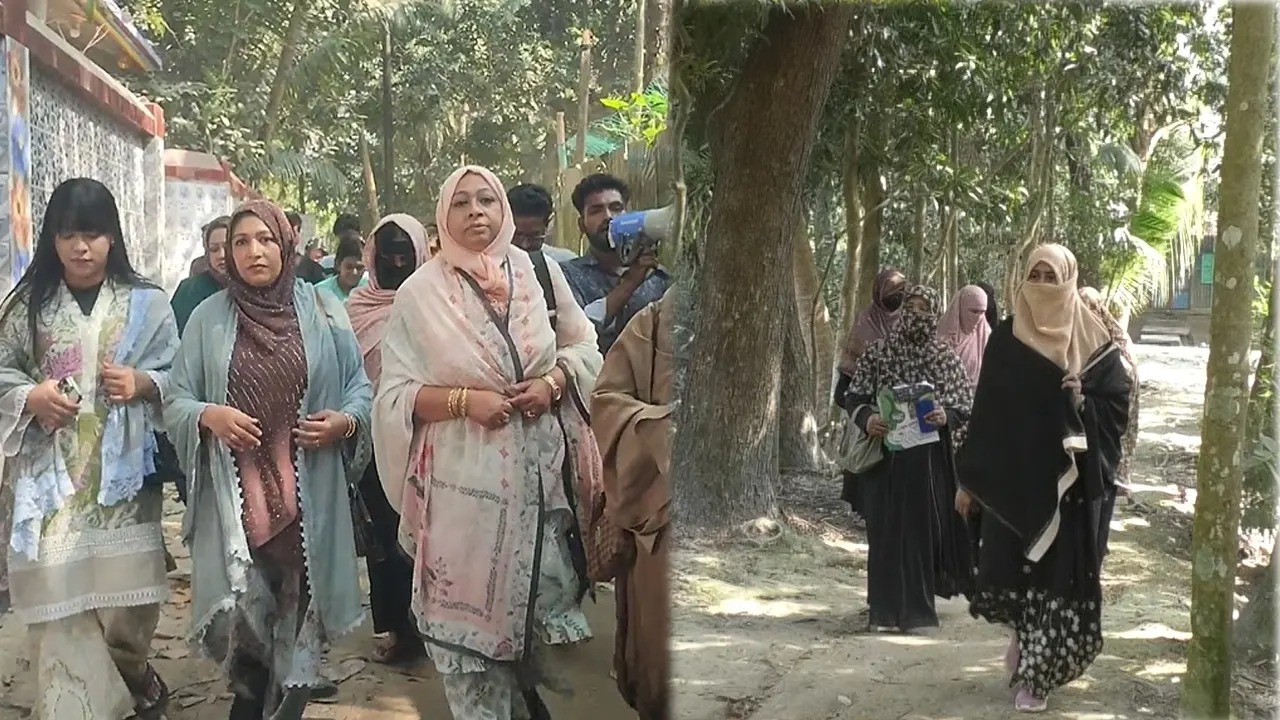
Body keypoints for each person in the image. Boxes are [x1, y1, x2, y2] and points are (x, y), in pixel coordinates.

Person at [374, 165, 603, 719]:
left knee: (528, 642)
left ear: (502, 210)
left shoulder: (535, 271)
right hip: (461, 490)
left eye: (486, 200)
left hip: (538, 486)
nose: (475, 212)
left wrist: (552, 382)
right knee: (470, 652)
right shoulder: (419, 293)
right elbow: (395, 395)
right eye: (461, 203)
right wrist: (464, 402)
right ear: (442, 218)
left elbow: (584, 346)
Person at [164, 199, 372, 720]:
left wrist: (344, 423)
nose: (253, 251)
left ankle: (288, 705)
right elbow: (176, 398)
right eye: (241, 242)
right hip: (239, 504)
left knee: (298, 627)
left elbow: (359, 389)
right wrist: (209, 415)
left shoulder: (324, 312)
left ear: (286, 246)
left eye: (265, 240)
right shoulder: (208, 319)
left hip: (309, 499)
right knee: (250, 635)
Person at [0, 178, 179, 719]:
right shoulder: (27, 306)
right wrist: (31, 396)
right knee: (62, 606)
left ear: (112, 237)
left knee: (129, 608)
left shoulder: (148, 303)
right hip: (50, 482)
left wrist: (144, 383)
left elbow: (182, 377)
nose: (81, 247)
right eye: (68, 235)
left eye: (93, 234)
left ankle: (131, 673)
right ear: (52, 239)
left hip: (124, 484)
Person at [956, 244, 1130, 713]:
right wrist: (969, 483)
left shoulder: (1095, 344)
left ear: (1069, 280)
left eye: (1051, 276)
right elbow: (987, 414)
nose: (1042, 284)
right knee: (1018, 574)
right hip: (1013, 485)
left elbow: (1117, 407)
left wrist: (1084, 402)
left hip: (1066, 492)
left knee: (1054, 580)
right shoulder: (1006, 339)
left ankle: (1037, 676)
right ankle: (1023, 639)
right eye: (1035, 274)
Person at [841, 285, 973, 633]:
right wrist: (868, 418)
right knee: (884, 532)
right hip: (885, 460)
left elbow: (963, 405)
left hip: (927, 465)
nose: (916, 314)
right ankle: (883, 612)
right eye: (910, 306)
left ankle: (917, 613)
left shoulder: (944, 357)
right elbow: (854, 395)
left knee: (919, 534)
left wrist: (945, 416)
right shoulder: (880, 352)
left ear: (935, 314)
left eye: (924, 308)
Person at [345, 213, 431, 665]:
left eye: (405, 252)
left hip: (431, 436)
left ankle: (435, 626)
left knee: (432, 537)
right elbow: (345, 374)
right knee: (385, 538)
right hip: (375, 441)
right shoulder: (355, 308)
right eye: (388, 253)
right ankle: (397, 629)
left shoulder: (439, 302)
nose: (397, 262)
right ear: (372, 257)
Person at [591, 290, 676, 720]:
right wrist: (659, 429)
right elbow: (607, 403)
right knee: (657, 665)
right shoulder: (653, 323)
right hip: (658, 514)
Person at [560, 173, 670, 355]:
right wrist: (629, 284)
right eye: (596, 211)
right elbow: (577, 334)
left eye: (616, 208)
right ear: (582, 225)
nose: (609, 217)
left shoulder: (659, 278)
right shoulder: (567, 276)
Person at [834, 267, 907, 514]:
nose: (898, 296)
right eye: (892, 291)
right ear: (878, 293)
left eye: (902, 290)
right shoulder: (864, 326)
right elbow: (843, 392)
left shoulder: (912, 326)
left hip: (905, 428)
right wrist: (867, 415)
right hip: (871, 430)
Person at [1079, 286, 1139, 526]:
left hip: (1117, 405)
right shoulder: (1082, 335)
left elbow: (1127, 373)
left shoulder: (1115, 340)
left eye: (1089, 307)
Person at [172, 215, 231, 336]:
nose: (221, 255)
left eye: (227, 247)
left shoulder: (255, 289)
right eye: (214, 249)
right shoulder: (188, 290)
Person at [508, 183, 577, 263]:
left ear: (547, 224)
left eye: (533, 237)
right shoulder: (496, 262)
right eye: (517, 235)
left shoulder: (565, 262)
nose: (525, 245)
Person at [937, 285, 992, 386]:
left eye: (982, 312)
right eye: (974, 311)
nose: (978, 317)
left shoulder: (987, 336)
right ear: (961, 308)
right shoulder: (942, 336)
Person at [316, 234, 368, 303]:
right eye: (349, 267)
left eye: (359, 268)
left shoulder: (371, 291)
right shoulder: (320, 292)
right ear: (338, 265)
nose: (354, 272)